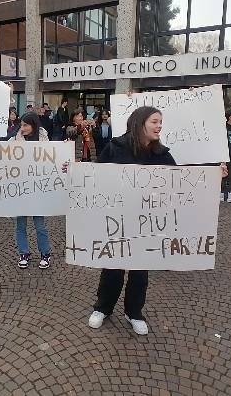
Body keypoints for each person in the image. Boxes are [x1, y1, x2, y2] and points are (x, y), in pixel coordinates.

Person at [87, 106, 177, 335]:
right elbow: (95, 175)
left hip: (147, 223)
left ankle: (134, 312)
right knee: (113, 268)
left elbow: (180, 180)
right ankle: (103, 308)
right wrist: (73, 170)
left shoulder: (162, 155)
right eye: (155, 121)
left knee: (140, 271)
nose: (159, 126)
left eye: (160, 122)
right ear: (140, 123)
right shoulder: (115, 148)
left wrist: (214, 173)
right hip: (117, 219)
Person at [13, 113, 52, 269]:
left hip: (37, 191)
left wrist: (64, 149)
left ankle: (45, 253)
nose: (22, 128)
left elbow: (53, 160)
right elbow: (0, 152)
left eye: (25, 125)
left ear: (34, 125)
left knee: (40, 225)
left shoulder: (45, 141)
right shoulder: (15, 140)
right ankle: (23, 253)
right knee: (20, 225)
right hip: (20, 190)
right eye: (21, 125)